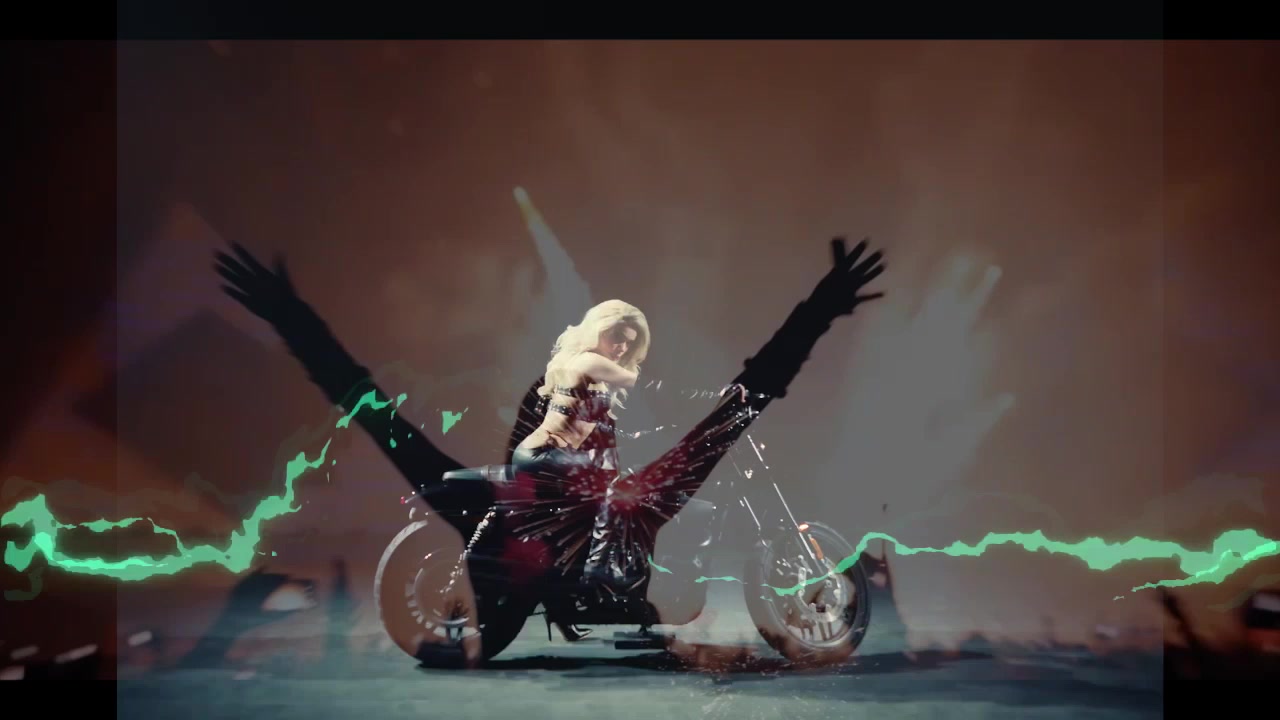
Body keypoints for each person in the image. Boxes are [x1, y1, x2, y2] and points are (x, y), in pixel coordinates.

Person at [510, 299, 651, 589]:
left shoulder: (588, 365)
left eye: (629, 343)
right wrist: (713, 394)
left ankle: (587, 569)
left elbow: (584, 420)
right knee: (614, 478)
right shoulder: (590, 361)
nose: (622, 348)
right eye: (617, 337)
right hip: (541, 453)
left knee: (617, 467)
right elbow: (641, 383)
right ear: (598, 330)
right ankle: (598, 570)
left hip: (553, 452)